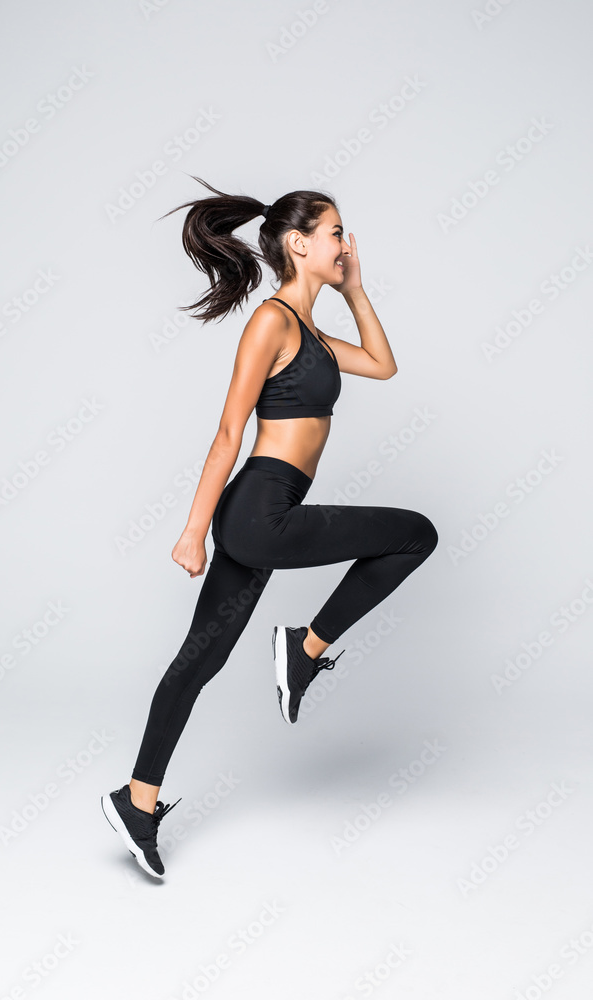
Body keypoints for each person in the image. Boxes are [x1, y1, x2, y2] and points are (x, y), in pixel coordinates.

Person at [101, 176, 438, 878]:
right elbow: (229, 429)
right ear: (298, 242)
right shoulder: (271, 321)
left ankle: (137, 799)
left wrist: (353, 289)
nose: (346, 242)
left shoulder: (309, 328)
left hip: (267, 514)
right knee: (414, 532)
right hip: (258, 508)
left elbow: (382, 364)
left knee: (200, 660)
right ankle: (304, 651)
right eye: (336, 231)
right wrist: (193, 531)